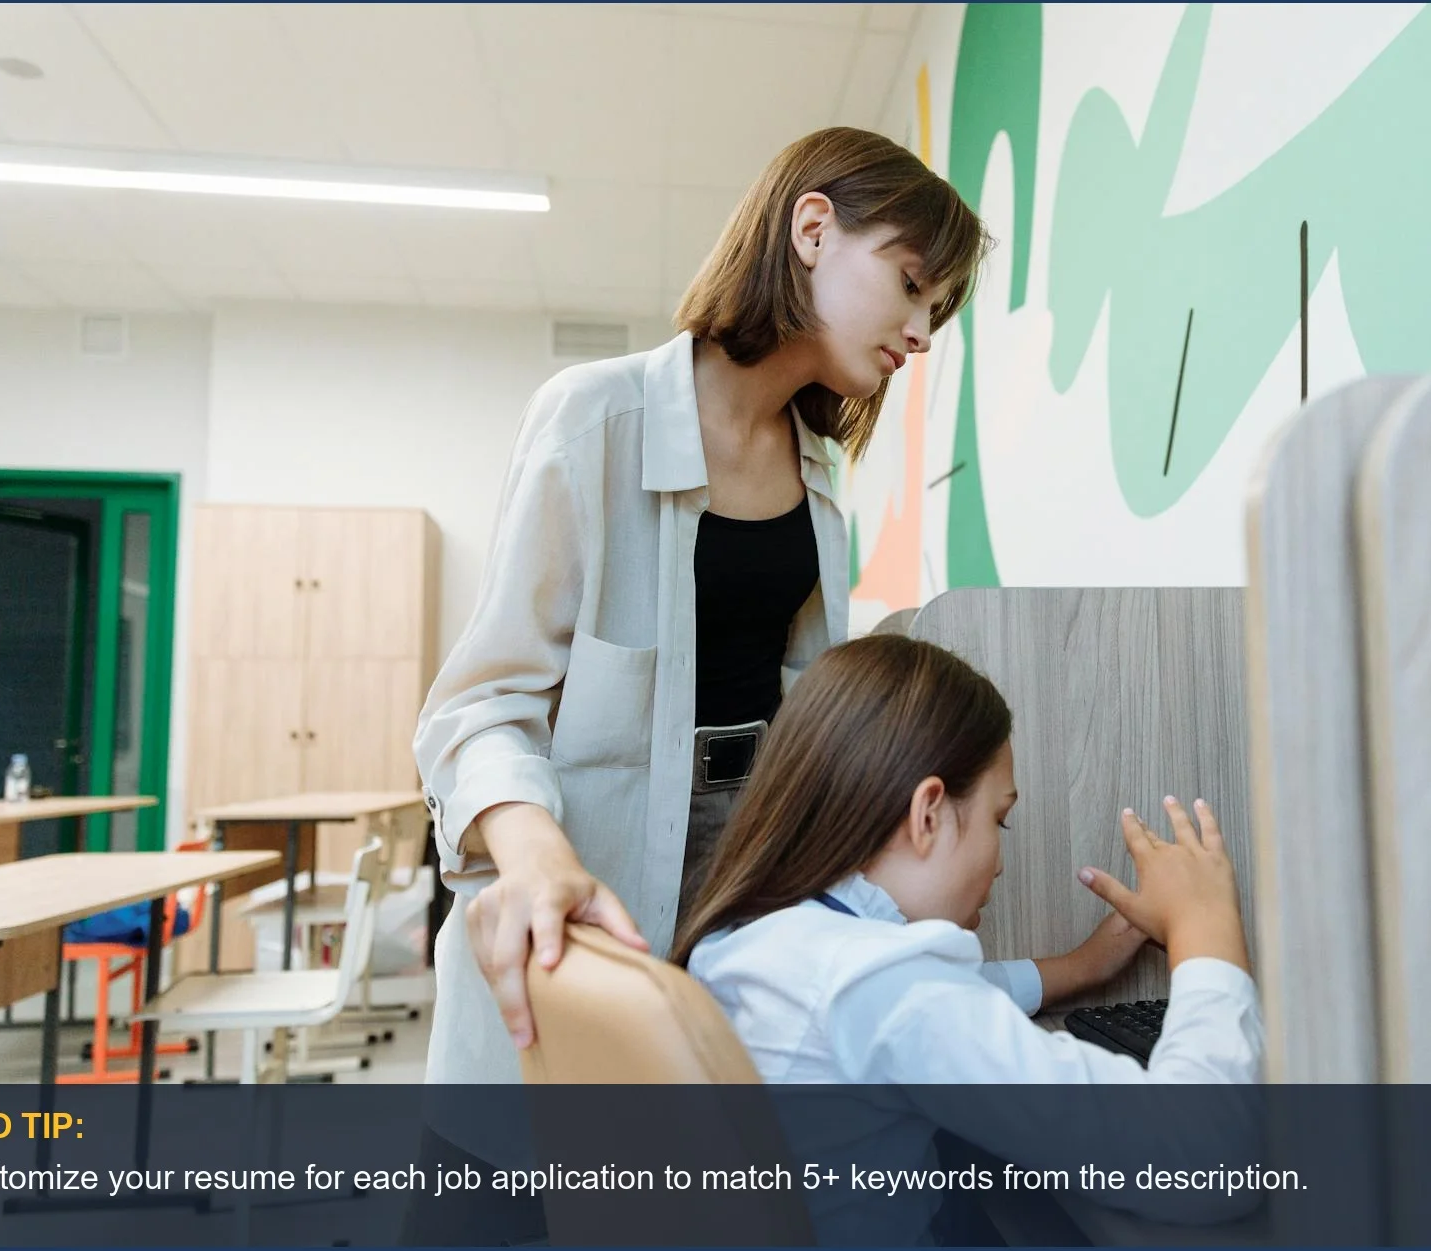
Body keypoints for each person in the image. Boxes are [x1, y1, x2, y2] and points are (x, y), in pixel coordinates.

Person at [406, 129, 1130, 1215]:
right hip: (575, 876)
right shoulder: (592, 420)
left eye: (937, 308)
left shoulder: (821, 469)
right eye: (911, 283)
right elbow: (478, 704)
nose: (923, 330)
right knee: (507, 1196)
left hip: (749, 867)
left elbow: (818, 723)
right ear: (811, 229)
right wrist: (533, 851)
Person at [675, 634, 1264, 1244]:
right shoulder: (881, 987)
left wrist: (1082, 966)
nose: (1000, 861)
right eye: (997, 819)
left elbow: (938, 1002)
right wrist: (1206, 931)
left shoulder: (755, 936)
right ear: (928, 812)